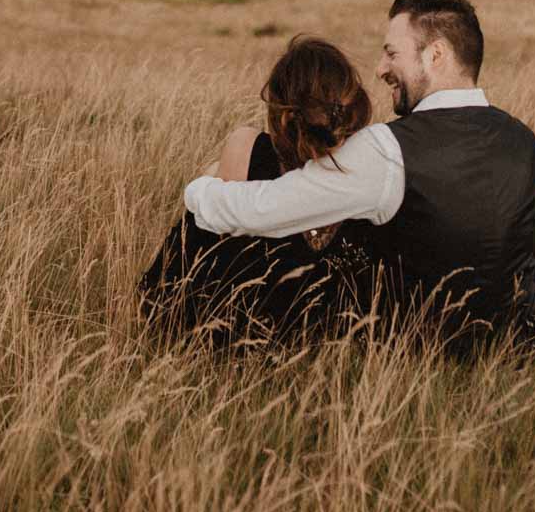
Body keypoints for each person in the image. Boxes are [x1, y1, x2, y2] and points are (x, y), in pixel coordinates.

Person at [182, 0, 535, 355]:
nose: (380, 69)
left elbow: (257, 211)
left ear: (436, 54)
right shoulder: (525, 142)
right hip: (517, 351)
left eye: (392, 53)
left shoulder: (388, 150)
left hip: (415, 354)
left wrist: (202, 185)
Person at [139, 35, 379, 343]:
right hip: (325, 325)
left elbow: (221, 246)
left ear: (282, 113)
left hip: (240, 322)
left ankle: (162, 313)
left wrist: (206, 181)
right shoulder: (369, 160)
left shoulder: (248, 146)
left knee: (208, 198)